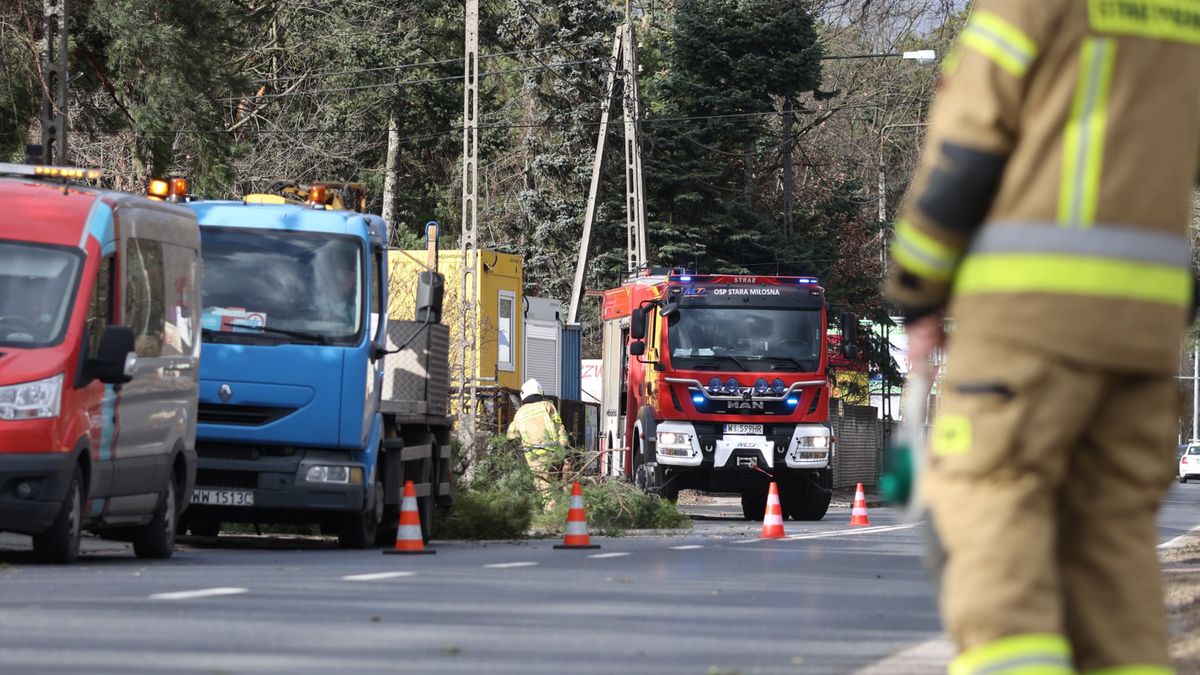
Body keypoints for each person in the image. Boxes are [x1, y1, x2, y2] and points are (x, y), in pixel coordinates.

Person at [884, 2, 1200, 673]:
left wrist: (917, 286)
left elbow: (965, 158)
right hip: (1143, 341)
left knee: (992, 530)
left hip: (1026, 328)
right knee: (1114, 564)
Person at [506, 379, 570, 487]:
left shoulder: (519, 413)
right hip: (554, 453)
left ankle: (551, 503)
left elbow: (511, 436)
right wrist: (564, 448)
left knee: (545, 489)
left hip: (534, 458)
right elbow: (559, 427)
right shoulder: (547, 405)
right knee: (561, 484)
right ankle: (563, 501)